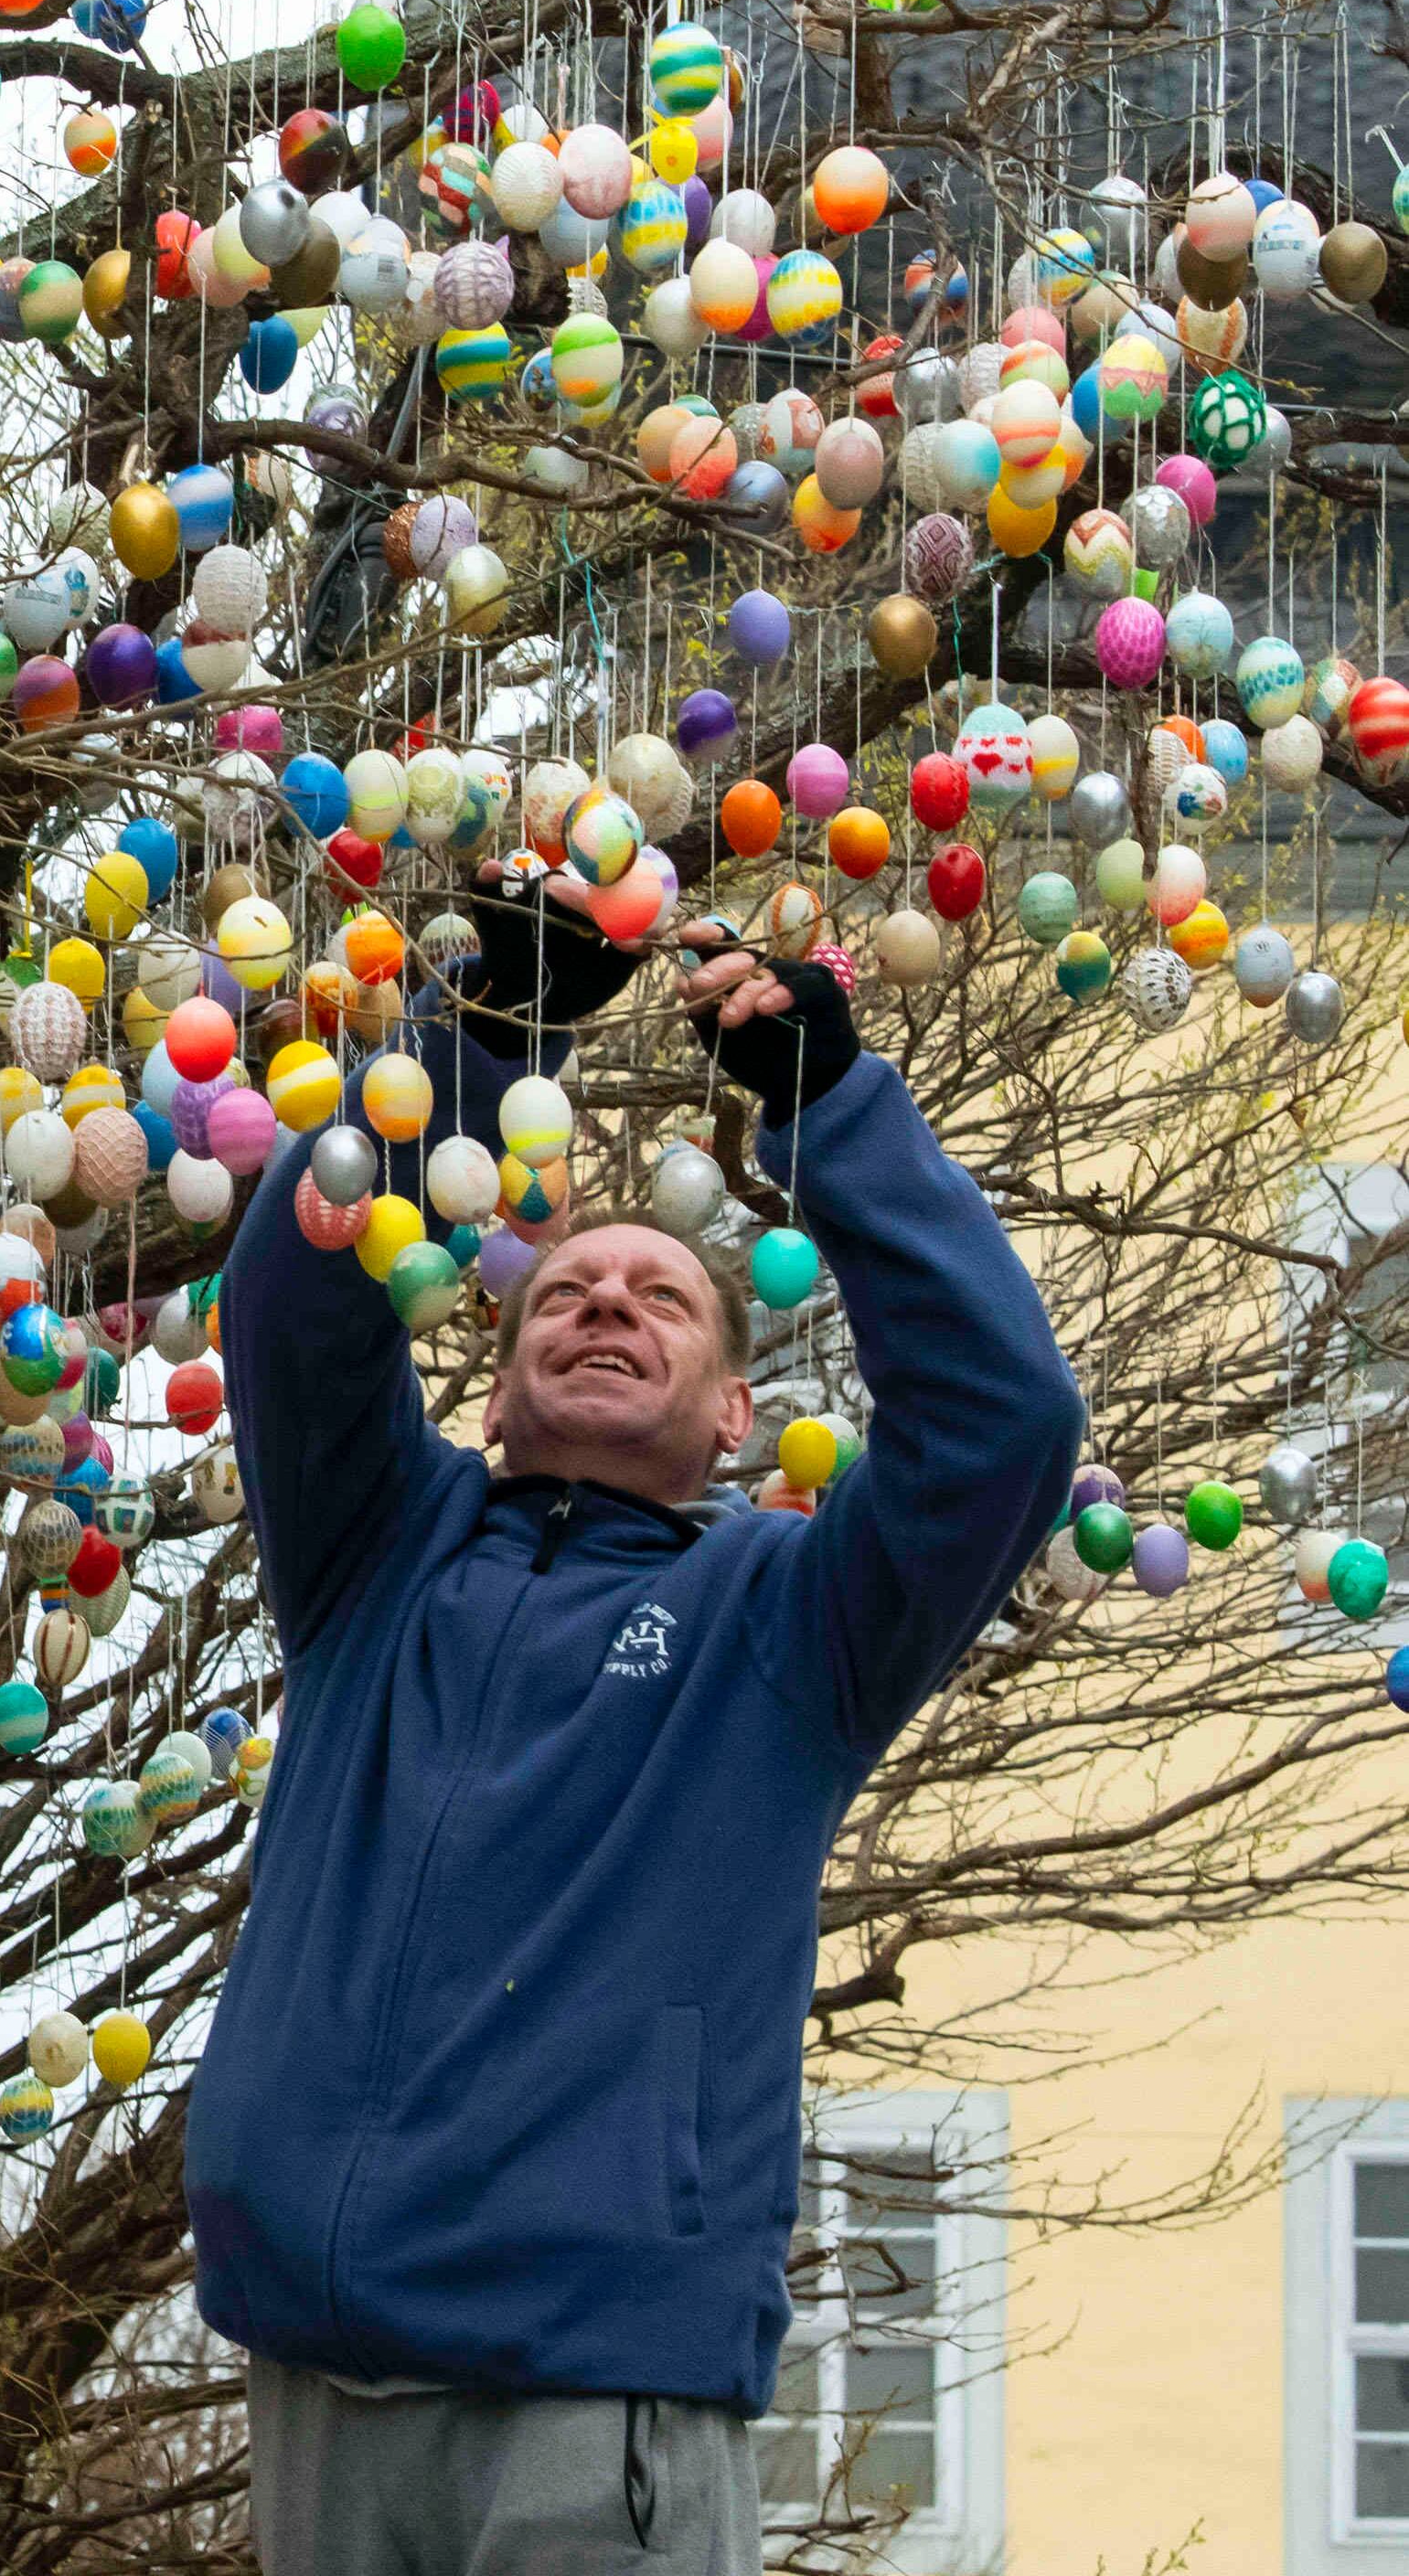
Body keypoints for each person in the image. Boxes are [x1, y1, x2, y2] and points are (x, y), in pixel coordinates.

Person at [188, 876, 1084, 2573]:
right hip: (311, 2368)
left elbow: (1003, 1421)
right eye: (564, 1291)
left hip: (592, 2389)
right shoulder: (381, 1551)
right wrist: (484, 1042)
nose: (603, 1300)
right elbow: (293, 1309)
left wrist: (829, 1111)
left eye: (659, 1297)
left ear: (739, 1409)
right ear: (499, 1369)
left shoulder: (793, 1616)